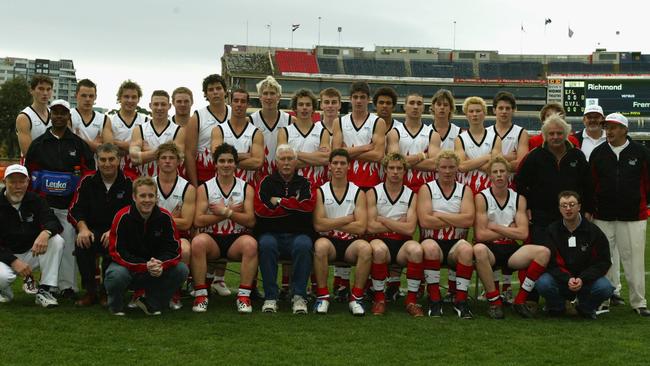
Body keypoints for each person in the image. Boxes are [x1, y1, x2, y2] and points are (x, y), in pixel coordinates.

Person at [25, 99, 95, 299]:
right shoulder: (38, 144)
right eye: (55, 112)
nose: (58, 116)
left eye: (63, 113)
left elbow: (88, 174)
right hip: (44, 206)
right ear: (50, 115)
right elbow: (30, 173)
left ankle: (68, 286)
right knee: (52, 243)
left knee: (69, 244)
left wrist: (78, 194)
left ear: (68, 117)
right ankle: (50, 285)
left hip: (69, 206)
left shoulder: (79, 145)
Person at [473, 156, 550, 319]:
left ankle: (520, 301)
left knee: (543, 252)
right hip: (490, 249)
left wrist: (495, 226)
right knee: (478, 249)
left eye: (502, 171)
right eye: (495, 172)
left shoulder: (518, 198)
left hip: (511, 250)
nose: (499, 175)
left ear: (508, 174)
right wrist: (508, 229)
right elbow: (480, 235)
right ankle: (494, 302)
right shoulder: (482, 197)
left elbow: (523, 234)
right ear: (489, 175)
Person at [590, 113, 650, 316]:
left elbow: (647, 182)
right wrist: (591, 208)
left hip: (633, 215)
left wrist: (644, 206)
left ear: (625, 129)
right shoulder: (598, 153)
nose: (609, 131)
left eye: (614, 127)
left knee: (634, 260)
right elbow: (591, 184)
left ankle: (638, 302)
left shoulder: (641, 152)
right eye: (607, 127)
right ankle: (603, 298)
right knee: (604, 260)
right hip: (603, 215)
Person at [105, 176, 189, 316]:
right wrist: (145, 265)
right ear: (134, 197)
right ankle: (116, 306)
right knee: (116, 275)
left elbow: (174, 250)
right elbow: (117, 252)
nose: (147, 200)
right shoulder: (122, 217)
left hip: (155, 267)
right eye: (142, 196)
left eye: (151, 196)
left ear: (156, 198)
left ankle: (152, 303)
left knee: (181, 270)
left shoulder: (165, 217)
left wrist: (160, 264)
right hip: (128, 267)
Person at [190, 143, 258, 313]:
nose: (226, 165)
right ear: (215, 164)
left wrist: (225, 212)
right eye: (222, 161)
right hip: (212, 237)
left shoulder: (246, 187)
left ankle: (244, 296)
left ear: (236, 164)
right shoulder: (204, 187)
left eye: (230, 161)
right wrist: (226, 213)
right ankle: (200, 295)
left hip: (236, 237)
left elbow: (250, 221)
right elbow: (198, 220)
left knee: (251, 244)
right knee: (197, 242)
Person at [68, 143, 133, 307]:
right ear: (97, 160)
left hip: (119, 232)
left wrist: (114, 231)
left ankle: (107, 291)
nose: (107, 164)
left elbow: (133, 214)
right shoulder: (87, 181)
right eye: (103, 159)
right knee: (82, 242)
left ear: (119, 160)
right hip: (92, 230)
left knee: (114, 244)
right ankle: (90, 291)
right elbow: (75, 210)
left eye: (111, 159)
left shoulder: (129, 182)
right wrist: (82, 229)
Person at [254, 144, 316, 314]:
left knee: (304, 245)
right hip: (271, 234)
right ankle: (271, 297)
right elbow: (262, 211)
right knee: (266, 245)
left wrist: (279, 201)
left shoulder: (305, 184)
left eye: (290, 159)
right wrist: (293, 205)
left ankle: (299, 296)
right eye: (283, 159)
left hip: (299, 234)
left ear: (296, 162)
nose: (287, 163)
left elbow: (307, 208)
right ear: (276, 162)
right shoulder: (265, 182)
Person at [515, 114, 594, 245]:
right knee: (544, 253)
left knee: (572, 254)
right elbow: (520, 183)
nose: (556, 137)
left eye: (559, 133)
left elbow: (588, 185)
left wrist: (588, 209)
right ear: (545, 135)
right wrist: (527, 207)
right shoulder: (534, 156)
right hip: (542, 216)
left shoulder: (577, 155)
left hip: (572, 215)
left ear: (566, 134)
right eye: (551, 133)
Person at [536, 191, 613, 319]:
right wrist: (567, 279)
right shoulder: (552, 230)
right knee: (542, 283)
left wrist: (583, 278)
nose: (568, 209)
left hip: (586, 281)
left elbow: (604, 261)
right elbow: (549, 262)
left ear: (579, 207)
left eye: (572, 204)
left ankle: (585, 308)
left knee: (605, 288)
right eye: (564, 205)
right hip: (561, 280)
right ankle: (558, 307)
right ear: (559, 209)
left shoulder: (593, 231)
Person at [312, 149, 372, 316]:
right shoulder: (320, 191)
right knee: (320, 246)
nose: (338, 167)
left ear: (349, 167)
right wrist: (346, 219)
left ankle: (356, 298)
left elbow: (360, 227)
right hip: (329, 242)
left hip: (350, 244)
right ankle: (323, 296)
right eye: (335, 163)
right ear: (329, 166)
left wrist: (330, 223)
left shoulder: (358, 192)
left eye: (342, 163)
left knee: (366, 249)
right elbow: (318, 225)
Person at [417, 150, 475, 318]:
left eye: (451, 167)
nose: (448, 171)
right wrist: (456, 218)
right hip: (432, 240)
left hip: (456, 243)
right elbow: (425, 222)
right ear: (437, 168)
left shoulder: (465, 190)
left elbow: (468, 220)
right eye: (443, 167)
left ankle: (461, 301)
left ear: (457, 168)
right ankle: (434, 299)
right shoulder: (426, 188)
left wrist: (438, 215)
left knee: (466, 250)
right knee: (430, 248)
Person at [366, 153, 423, 316]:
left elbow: (410, 229)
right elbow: (370, 227)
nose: (395, 172)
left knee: (417, 250)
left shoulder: (412, 194)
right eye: (391, 168)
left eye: (399, 168)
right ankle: (379, 299)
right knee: (378, 250)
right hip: (380, 241)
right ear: (385, 170)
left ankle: (411, 301)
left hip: (402, 244)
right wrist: (399, 224)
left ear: (404, 171)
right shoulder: (373, 192)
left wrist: (383, 220)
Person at [0, 165, 64, 307]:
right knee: (1, 278)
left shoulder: (35, 199)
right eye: (13, 182)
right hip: (5, 257)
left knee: (56, 240)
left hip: (33, 253)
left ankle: (46, 290)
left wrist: (46, 232)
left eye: (22, 181)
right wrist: (13, 261)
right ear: (5, 182)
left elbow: (54, 222)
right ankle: (4, 291)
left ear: (28, 182)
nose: (18, 186)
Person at [153, 142, 195, 310]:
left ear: (179, 161)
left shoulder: (187, 188)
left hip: (178, 235)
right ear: (157, 161)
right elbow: (142, 219)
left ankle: (174, 291)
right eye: (164, 158)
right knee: (143, 245)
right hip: (151, 233)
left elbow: (186, 222)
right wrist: (171, 217)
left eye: (172, 158)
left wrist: (158, 216)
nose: (168, 161)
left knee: (185, 250)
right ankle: (142, 290)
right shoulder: (148, 184)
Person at [332, 82, 386, 190]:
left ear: (368, 99)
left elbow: (378, 155)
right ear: (350, 99)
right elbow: (335, 154)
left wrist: (346, 151)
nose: (358, 101)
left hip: (371, 181)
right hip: (346, 181)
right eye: (355, 97)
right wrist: (364, 148)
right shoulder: (339, 122)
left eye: (362, 97)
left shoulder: (378, 122)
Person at [386, 92, 441, 193]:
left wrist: (404, 161)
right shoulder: (394, 133)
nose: (415, 106)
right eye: (411, 103)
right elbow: (394, 162)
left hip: (426, 189)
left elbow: (434, 165)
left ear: (423, 108)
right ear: (404, 107)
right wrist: (421, 156)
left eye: (419, 103)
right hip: (401, 189)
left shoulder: (433, 135)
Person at [184, 74, 232, 187]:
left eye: (219, 88)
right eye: (211, 89)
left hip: (231, 176)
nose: (215, 92)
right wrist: (194, 185)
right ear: (205, 94)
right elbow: (189, 154)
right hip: (205, 176)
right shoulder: (197, 117)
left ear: (225, 91)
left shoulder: (235, 114)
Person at [278, 88, 331, 188]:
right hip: (291, 187)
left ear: (313, 108)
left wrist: (294, 153)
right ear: (295, 108)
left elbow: (325, 159)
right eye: (301, 104)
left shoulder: (323, 132)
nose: (304, 108)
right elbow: (283, 164)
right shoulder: (284, 132)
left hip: (317, 186)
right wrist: (316, 158)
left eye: (308, 104)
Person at [210, 88, 264, 185]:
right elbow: (216, 156)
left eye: (243, 101)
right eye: (236, 101)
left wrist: (227, 161)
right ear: (230, 103)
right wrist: (247, 155)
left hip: (248, 185)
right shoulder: (218, 130)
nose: (239, 104)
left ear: (248, 105)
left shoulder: (256, 133)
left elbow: (257, 162)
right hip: (221, 186)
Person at [130, 90, 185, 176]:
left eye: (163, 104)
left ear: (169, 106)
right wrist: (166, 151)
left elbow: (178, 158)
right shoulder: (139, 129)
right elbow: (134, 158)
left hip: (170, 182)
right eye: (156, 104)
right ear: (150, 105)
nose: (159, 108)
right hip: (145, 182)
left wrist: (147, 152)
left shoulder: (179, 130)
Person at [455, 96, 502, 194]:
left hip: (489, 190)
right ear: (466, 114)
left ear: (484, 113)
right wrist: (487, 157)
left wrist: (470, 161)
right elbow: (461, 167)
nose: (474, 114)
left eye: (478, 111)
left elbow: (494, 168)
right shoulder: (460, 139)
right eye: (471, 111)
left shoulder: (495, 138)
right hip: (465, 189)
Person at [250, 76, 292, 183]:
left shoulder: (290, 121)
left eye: (272, 93)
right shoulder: (250, 121)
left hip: (282, 177)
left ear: (279, 97)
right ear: (259, 97)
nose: (268, 97)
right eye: (265, 93)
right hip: (256, 176)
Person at [110, 80, 150, 179]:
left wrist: (119, 143)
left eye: (134, 97)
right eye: (126, 97)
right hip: (116, 170)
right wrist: (136, 147)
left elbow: (146, 148)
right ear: (119, 98)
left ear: (138, 99)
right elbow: (109, 147)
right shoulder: (110, 120)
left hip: (141, 171)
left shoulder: (146, 121)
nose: (130, 100)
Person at [71, 78, 114, 154]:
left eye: (91, 96)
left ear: (95, 97)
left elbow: (109, 150)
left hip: (95, 165)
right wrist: (94, 145)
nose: (87, 99)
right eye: (83, 96)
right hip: (72, 164)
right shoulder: (68, 115)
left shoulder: (104, 119)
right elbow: (66, 144)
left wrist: (78, 139)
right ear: (76, 96)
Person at [488, 91, 528, 169]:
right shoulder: (486, 132)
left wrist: (492, 161)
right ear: (494, 110)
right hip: (488, 180)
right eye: (500, 108)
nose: (504, 111)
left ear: (513, 110)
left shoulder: (521, 133)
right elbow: (481, 163)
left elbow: (521, 163)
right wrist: (507, 157)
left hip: (512, 180)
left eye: (507, 108)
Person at [16, 74, 53, 158]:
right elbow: (28, 152)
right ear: (31, 90)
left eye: (48, 89)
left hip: (53, 167)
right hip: (33, 168)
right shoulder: (24, 117)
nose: (45, 93)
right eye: (41, 89)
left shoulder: (55, 114)